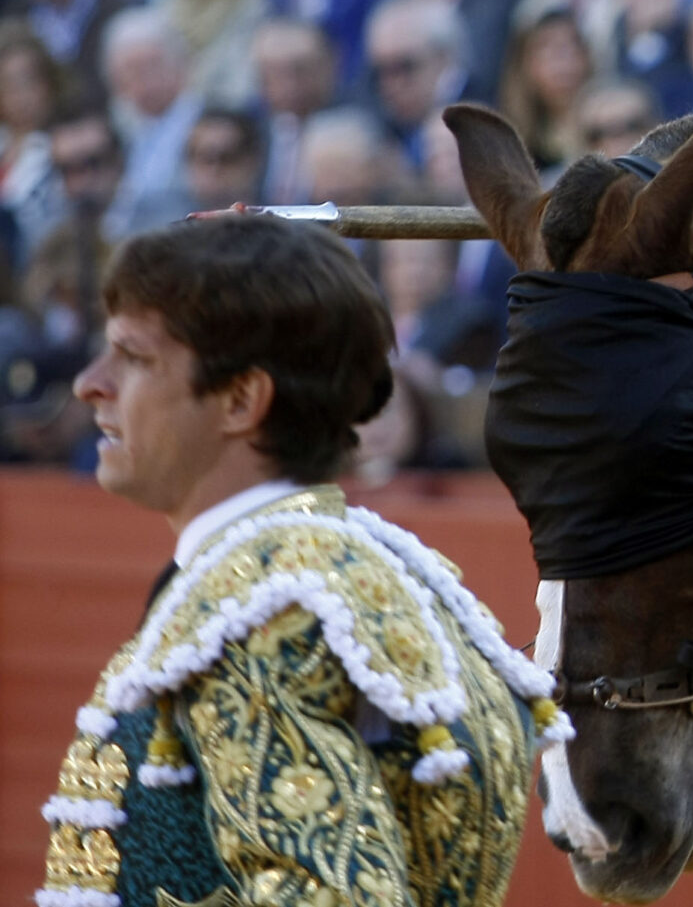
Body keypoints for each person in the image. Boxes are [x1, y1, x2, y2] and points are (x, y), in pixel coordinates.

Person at [43, 215, 552, 907]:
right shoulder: (367, 567)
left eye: (133, 358)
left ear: (240, 399)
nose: (90, 384)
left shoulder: (268, 609)